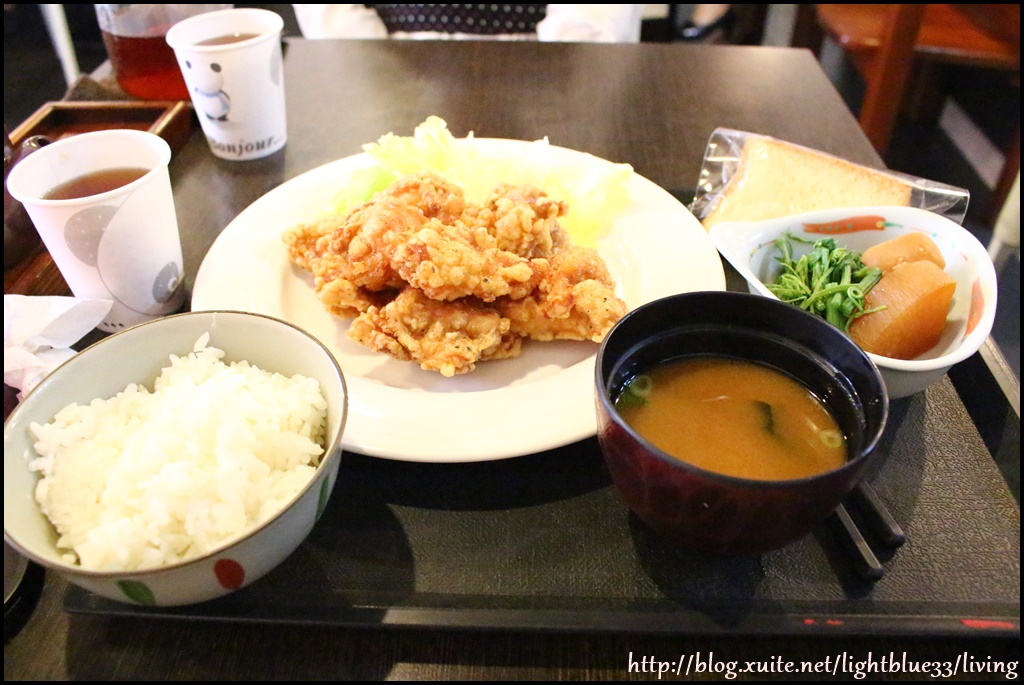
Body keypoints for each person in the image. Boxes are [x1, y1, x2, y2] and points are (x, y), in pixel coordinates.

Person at [292, 4, 644, 43]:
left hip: (549, 60)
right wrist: (364, 49)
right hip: (388, 53)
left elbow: (593, 20)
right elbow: (330, 16)